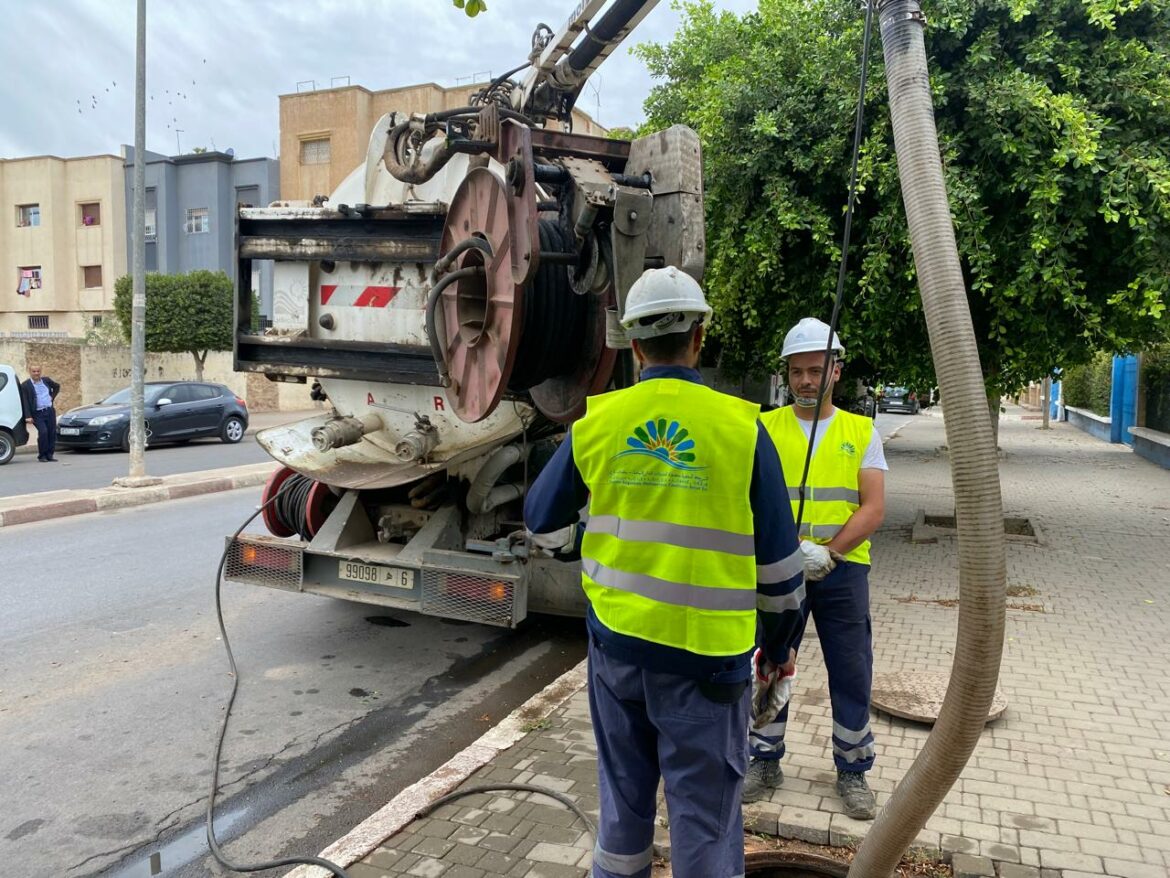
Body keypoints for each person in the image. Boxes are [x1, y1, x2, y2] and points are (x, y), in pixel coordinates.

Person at [525, 267, 805, 878]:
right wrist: (779, 652)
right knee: (703, 825)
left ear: (633, 344)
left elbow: (541, 525)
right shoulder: (742, 428)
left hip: (617, 655)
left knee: (623, 811)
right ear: (698, 337)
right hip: (708, 668)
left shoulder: (597, 421)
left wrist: (589, 546)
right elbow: (783, 576)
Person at [743, 317, 887, 820]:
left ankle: (853, 770)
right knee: (770, 661)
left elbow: (873, 507)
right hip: (780, 570)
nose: (806, 381)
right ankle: (764, 759)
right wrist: (786, 552)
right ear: (786, 374)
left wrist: (830, 552)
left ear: (836, 371)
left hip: (842, 571)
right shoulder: (764, 428)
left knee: (851, 669)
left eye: (815, 370)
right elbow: (749, 501)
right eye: (797, 371)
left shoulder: (861, 431)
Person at [21, 365, 61, 462]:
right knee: (43, 432)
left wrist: (52, 396)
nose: (36, 373)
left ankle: (50, 455)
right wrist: (28, 416)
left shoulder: (46, 380)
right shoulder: (25, 385)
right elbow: (25, 401)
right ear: (30, 372)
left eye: (38, 371)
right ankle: (42, 455)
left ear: (40, 371)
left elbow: (57, 386)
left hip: (49, 411)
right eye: (34, 371)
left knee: (51, 433)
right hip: (37, 413)